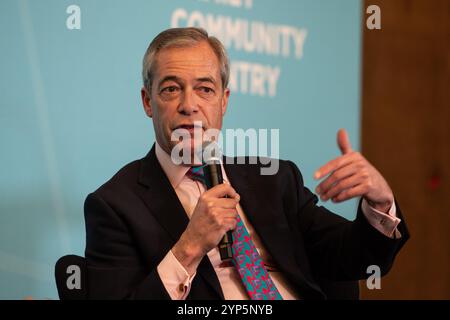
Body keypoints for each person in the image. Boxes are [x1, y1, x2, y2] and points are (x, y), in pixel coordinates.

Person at [84, 27, 409, 300]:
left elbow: (355, 260)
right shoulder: (114, 205)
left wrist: (380, 202)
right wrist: (190, 246)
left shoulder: (275, 179)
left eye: (204, 89)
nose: (189, 105)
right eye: (171, 89)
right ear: (147, 102)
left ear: (224, 101)